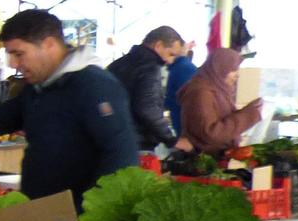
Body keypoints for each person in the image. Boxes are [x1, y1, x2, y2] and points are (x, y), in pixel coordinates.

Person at [0, 9, 138, 208]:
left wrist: (91, 215)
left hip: (77, 219)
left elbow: (121, 154)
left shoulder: (95, 86)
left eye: (19, 54)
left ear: (49, 44)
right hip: (42, 212)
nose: (14, 64)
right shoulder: (38, 88)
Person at [106, 26, 193, 157]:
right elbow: (147, 108)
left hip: (113, 138)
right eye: (171, 54)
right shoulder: (150, 68)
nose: (170, 61)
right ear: (158, 45)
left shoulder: (118, 64)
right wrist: (172, 139)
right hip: (137, 143)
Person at [179, 47, 264, 156]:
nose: (237, 75)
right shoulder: (202, 92)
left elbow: (223, 119)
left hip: (216, 155)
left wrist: (250, 110)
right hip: (205, 159)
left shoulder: (218, 89)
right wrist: (250, 115)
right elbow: (211, 133)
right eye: (233, 70)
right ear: (220, 69)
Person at [166, 37, 198, 137]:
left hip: (185, 125)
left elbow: (188, 99)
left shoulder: (183, 68)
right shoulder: (181, 67)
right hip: (182, 121)